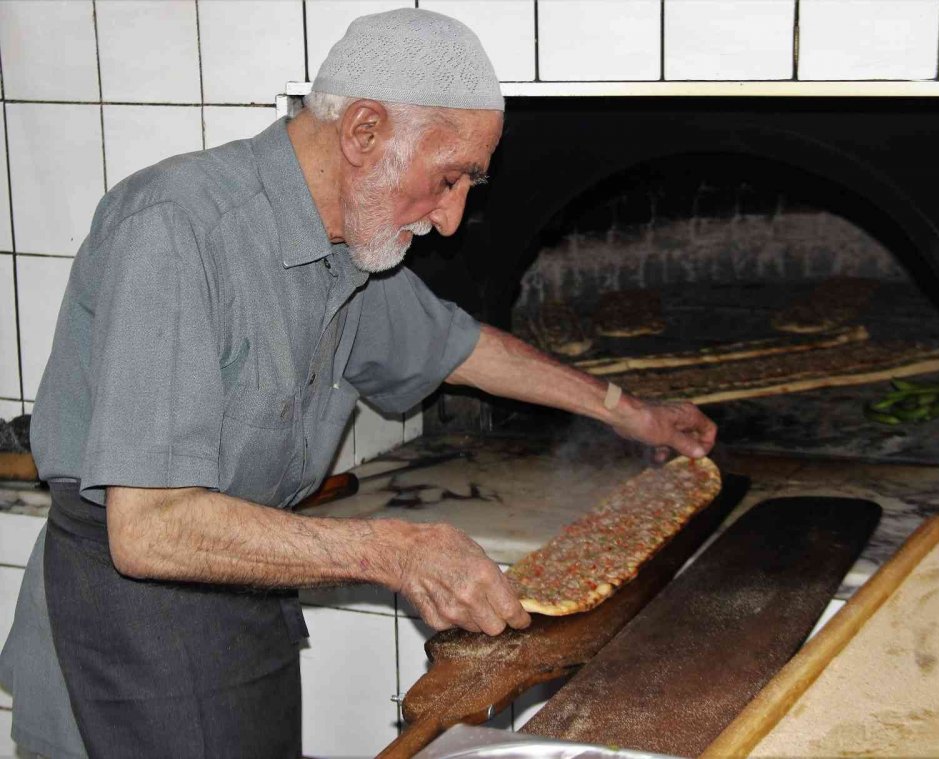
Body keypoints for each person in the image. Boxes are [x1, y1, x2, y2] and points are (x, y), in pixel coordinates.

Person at [0, 8, 716, 758]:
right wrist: (393, 551)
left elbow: (462, 347)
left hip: (244, 607)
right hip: (125, 631)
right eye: (447, 180)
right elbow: (149, 527)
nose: (449, 220)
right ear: (364, 131)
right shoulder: (177, 230)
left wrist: (631, 414)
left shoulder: (352, 242)